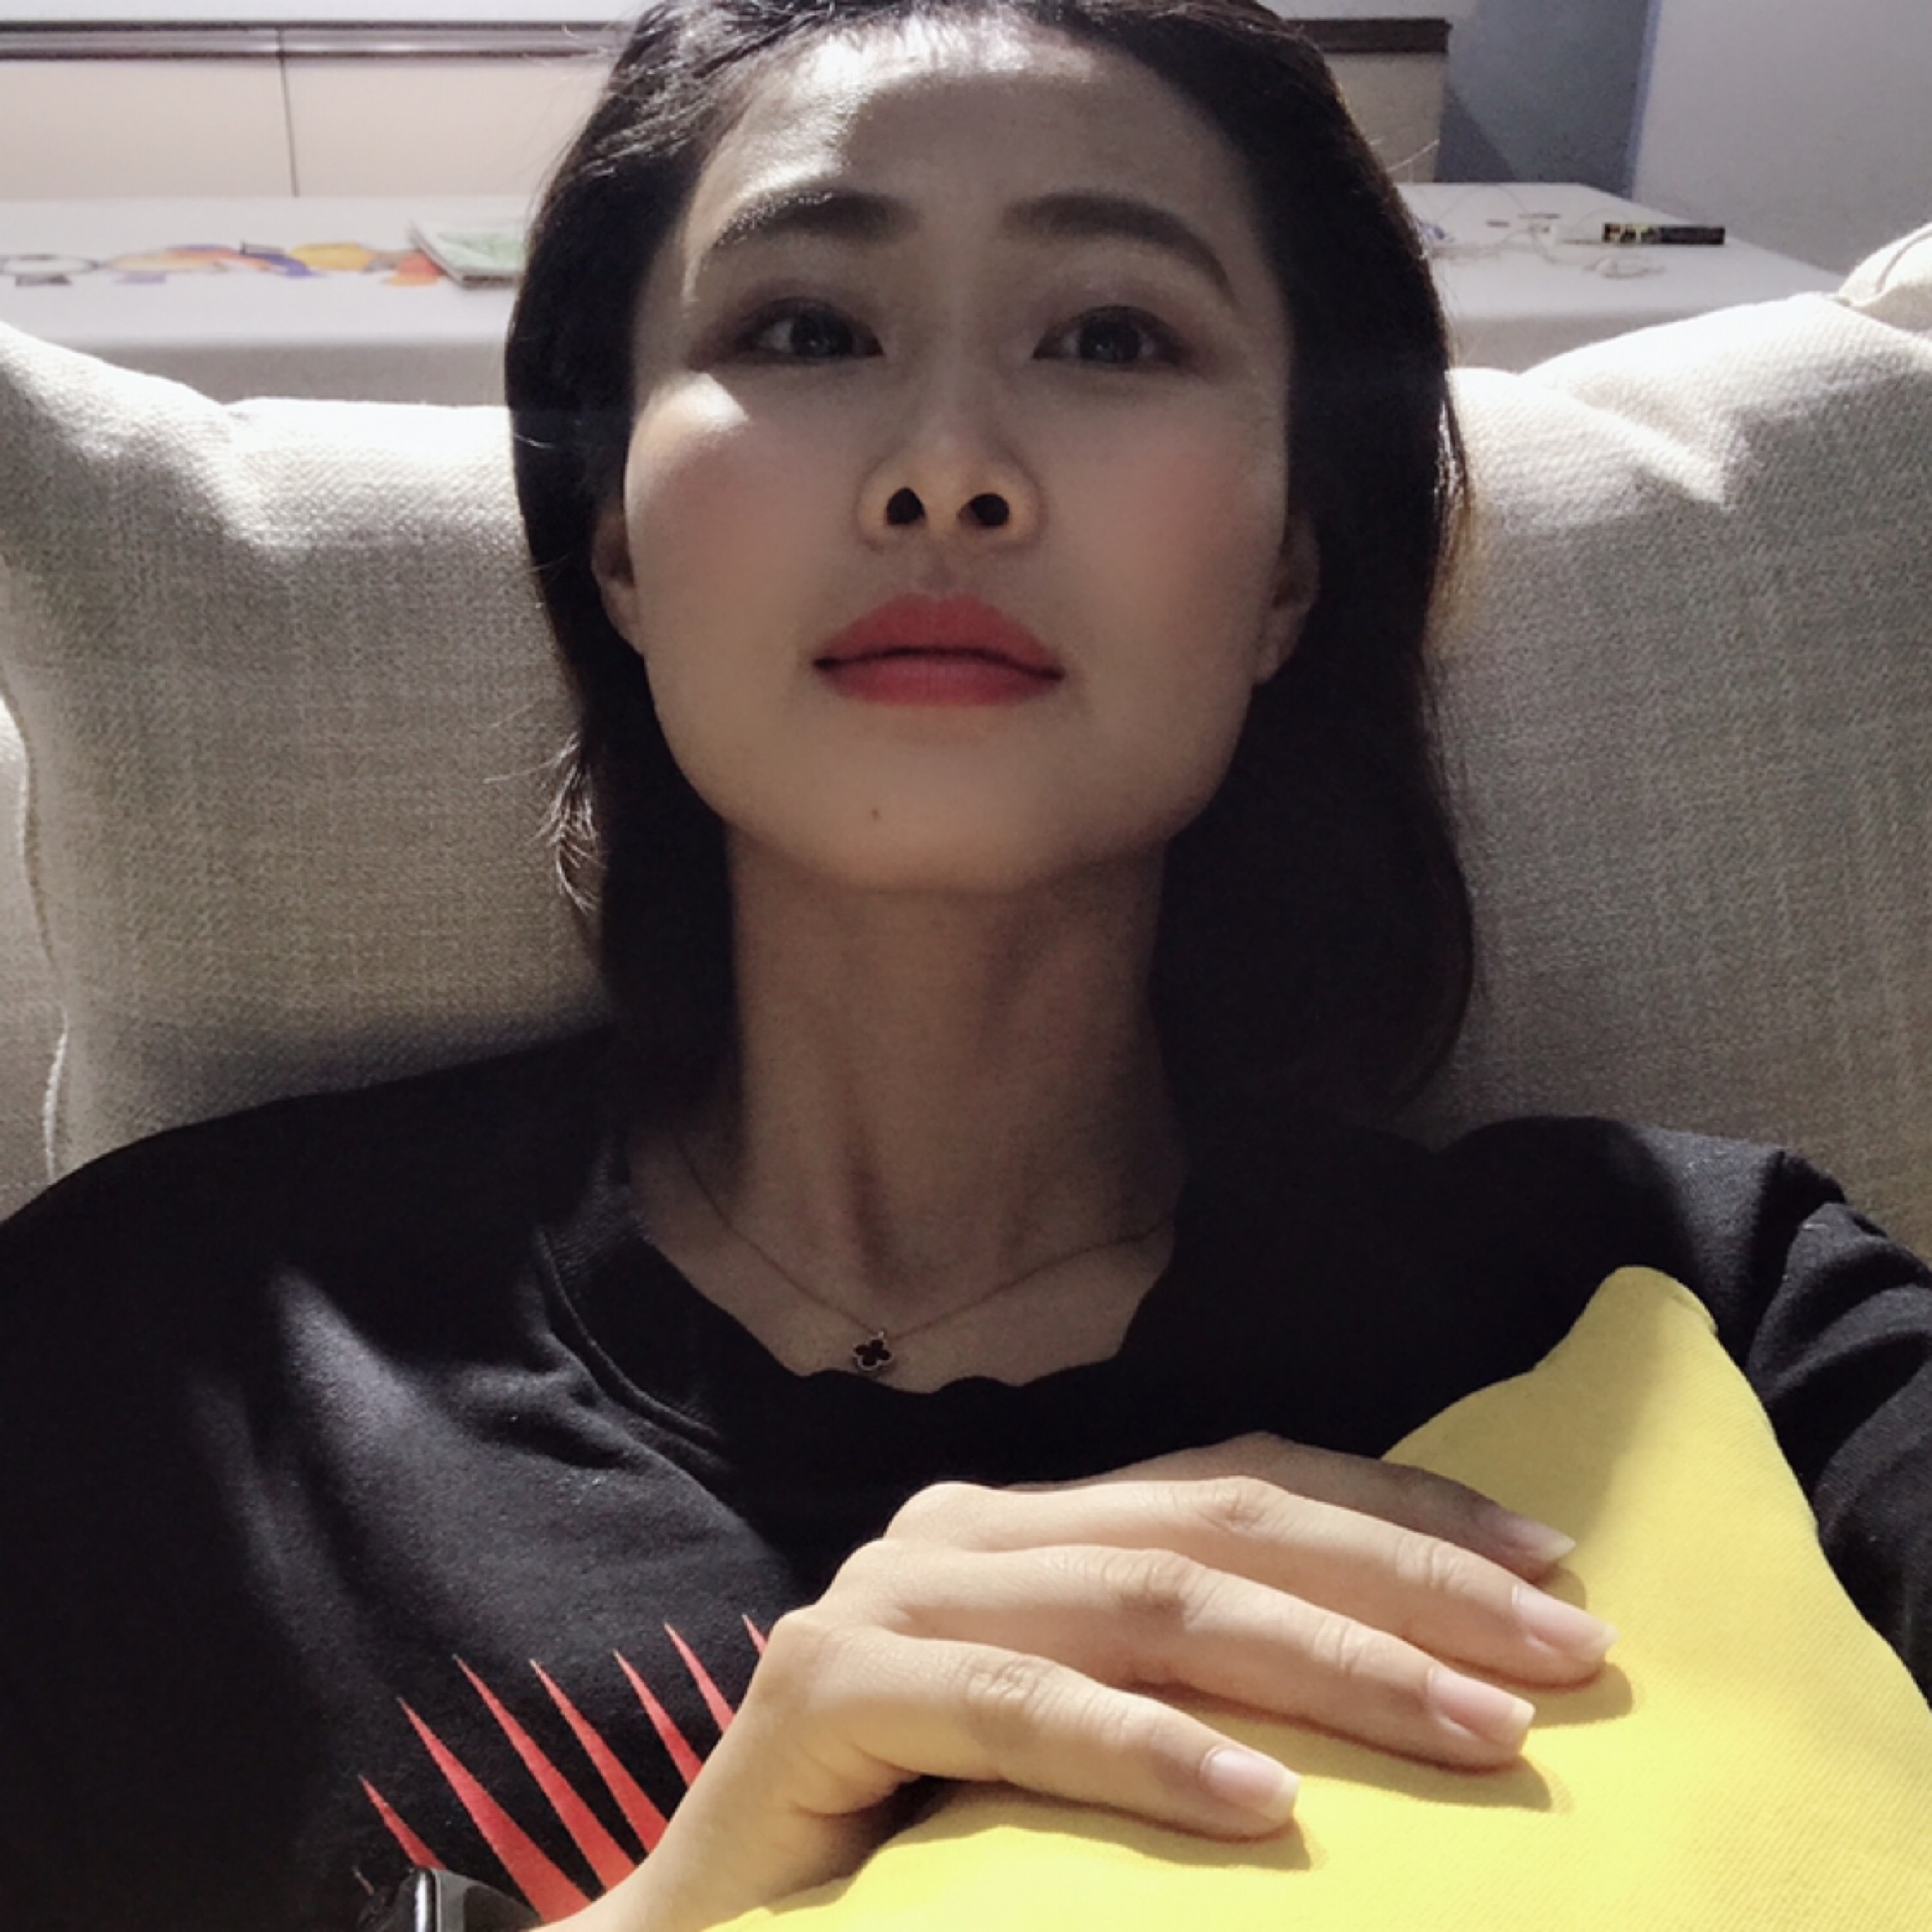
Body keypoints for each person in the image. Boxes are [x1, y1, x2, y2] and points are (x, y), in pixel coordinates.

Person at [1, 2, 1927, 1929]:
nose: (947, 472)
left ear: (1288, 564)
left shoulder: (1698, 1316)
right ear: (618, 545)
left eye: (1112, 338)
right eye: (804, 331)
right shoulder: (152, 1366)